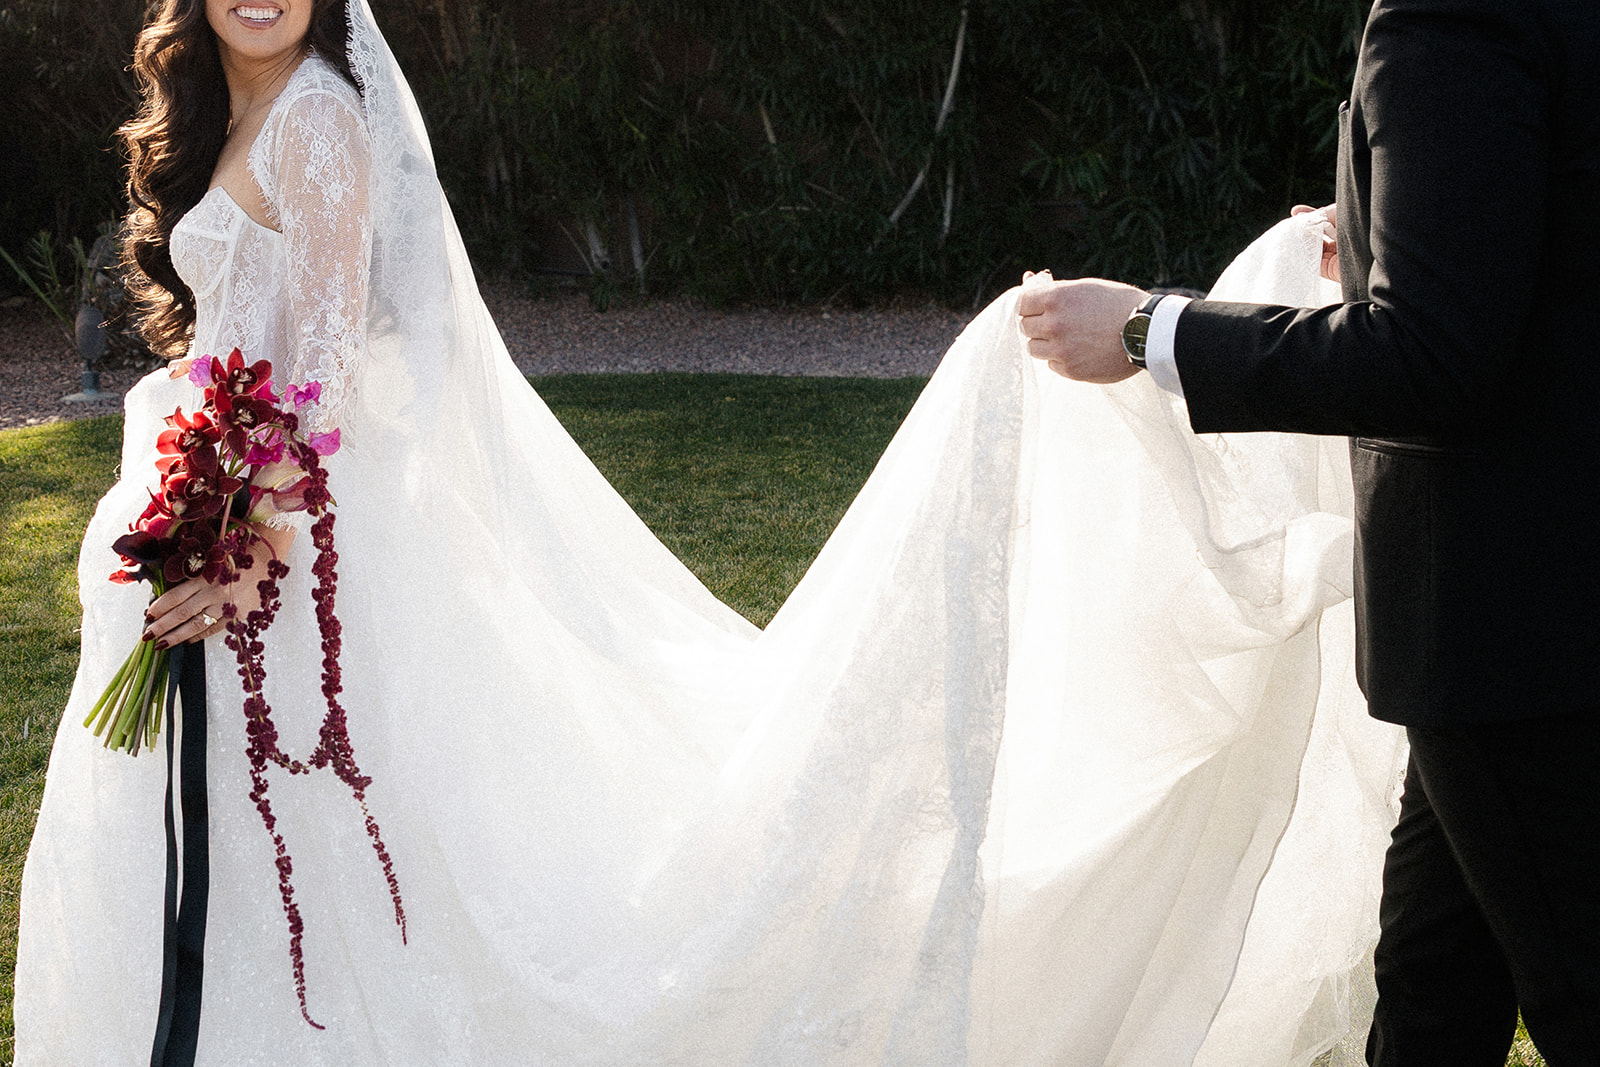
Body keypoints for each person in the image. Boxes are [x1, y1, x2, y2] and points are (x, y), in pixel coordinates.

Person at [17, 0, 1403, 1063]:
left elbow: (315, 370)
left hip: (287, 541)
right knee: (309, 848)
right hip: (252, 519)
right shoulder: (248, 112)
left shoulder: (319, 119)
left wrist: (234, 538)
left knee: (352, 846)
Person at [1018, 1, 1600, 1063]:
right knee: (1430, 985)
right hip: (1538, 607)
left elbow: (1434, 355)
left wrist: (1155, 329)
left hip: (1510, 626)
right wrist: (1390, 227)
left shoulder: (1449, 18)